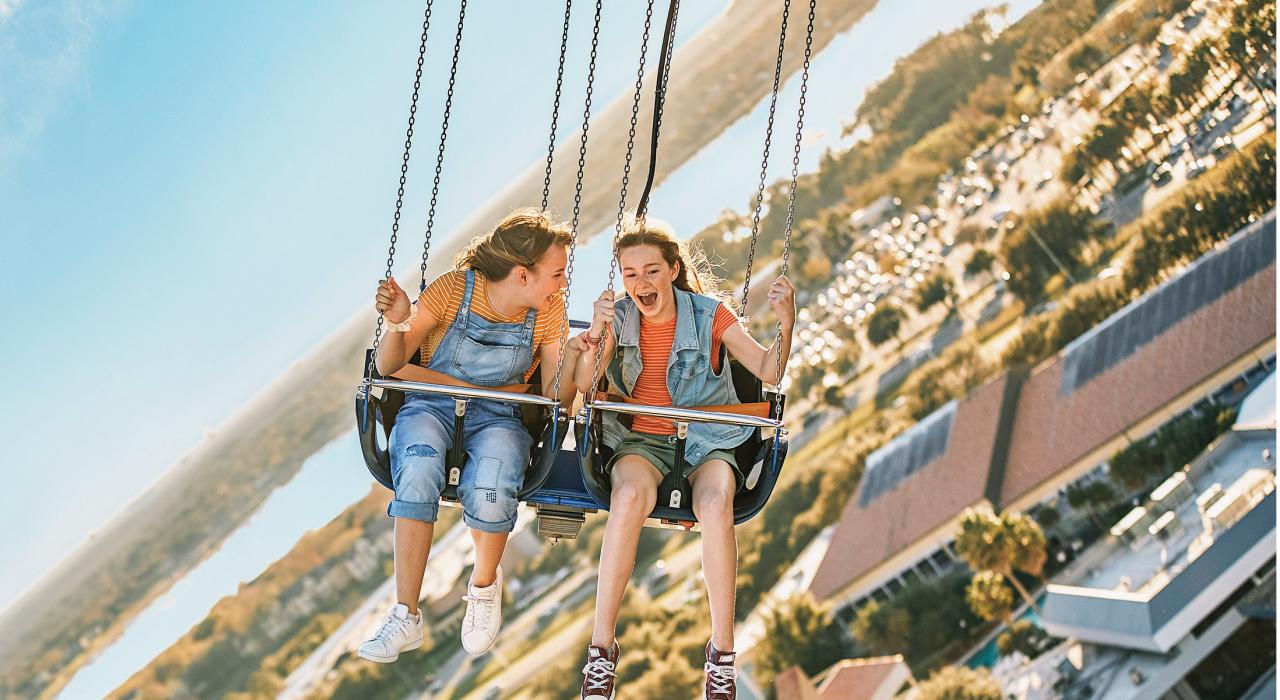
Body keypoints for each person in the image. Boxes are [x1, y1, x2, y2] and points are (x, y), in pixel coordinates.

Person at [571, 218, 795, 699]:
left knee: (715, 506)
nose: (641, 284)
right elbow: (584, 390)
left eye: (651, 271)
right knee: (628, 495)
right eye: (630, 274)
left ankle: (721, 657)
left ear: (674, 270)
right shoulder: (620, 318)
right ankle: (601, 653)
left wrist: (787, 321)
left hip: (708, 437)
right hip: (643, 440)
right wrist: (595, 335)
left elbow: (767, 369)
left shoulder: (709, 314)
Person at [358, 209, 578, 663]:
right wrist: (399, 322)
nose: (562, 283)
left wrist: (582, 359)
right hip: (430, 405)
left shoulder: (550, 311)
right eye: (556, 273)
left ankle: (483, 590)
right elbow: (388, 367)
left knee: (493, 485)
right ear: (523, 274)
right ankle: (405, 617)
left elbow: (557, 397)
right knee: (417, 466)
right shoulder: (453, 288)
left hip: (499, 417)